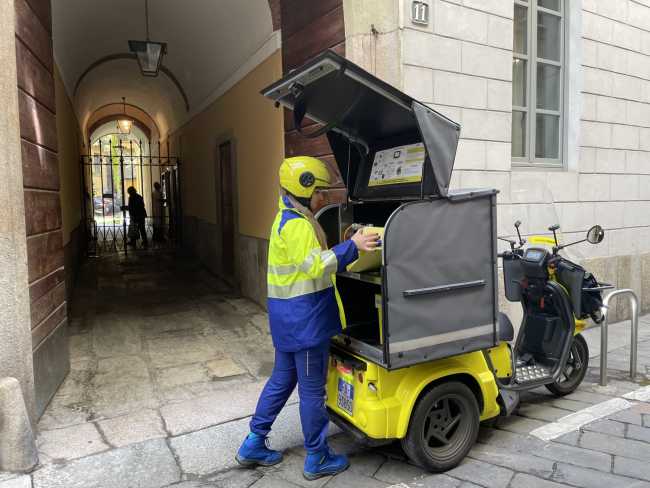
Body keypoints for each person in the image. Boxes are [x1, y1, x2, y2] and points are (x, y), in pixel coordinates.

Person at [236, 156, 379, 480]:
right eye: (320, 191)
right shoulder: (299, 225)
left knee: (281, 380)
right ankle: (317, 456)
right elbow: (315, 265)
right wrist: (353, 246)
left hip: (288, 320)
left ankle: (254, 442)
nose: (323, 197)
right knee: (313, 392)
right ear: (304, 189)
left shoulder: (284, 217)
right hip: (306, 322)